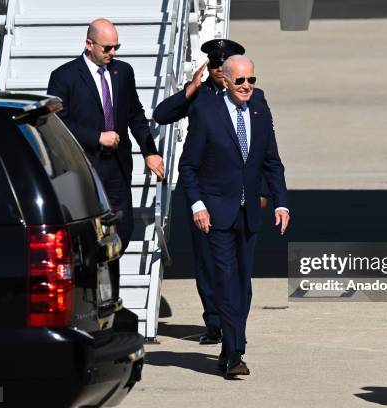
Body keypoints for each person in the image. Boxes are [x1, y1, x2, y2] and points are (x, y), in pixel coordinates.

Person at [178, 55, 290, 378]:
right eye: (240, 81)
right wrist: (197, 205)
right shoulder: (206, 112)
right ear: (225, 81)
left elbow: (272, 161)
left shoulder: (259, 110)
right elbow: (188, 166)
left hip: (249, 212)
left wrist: (281, 202)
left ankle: (228, 350)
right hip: (216, 213)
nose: (246, 87)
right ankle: (237, 350)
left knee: (243, 284)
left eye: (251, 80)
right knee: (225, 279)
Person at [153, 39, 270, 345]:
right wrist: (189, 89)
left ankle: (233, 327)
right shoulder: (201, 97)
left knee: (237, 268)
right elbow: (162, 115)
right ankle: (214, 322)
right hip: (206, 194)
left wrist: (264, 191)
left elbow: (264, 149)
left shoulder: (252, 97)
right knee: (206, 263)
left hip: (240, 195)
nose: (219, 71)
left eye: (223, 65)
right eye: (215, 66)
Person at [47, 18, 164, 299]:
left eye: (116, 47)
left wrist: (149, 151)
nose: (113, 53)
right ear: (89, 44)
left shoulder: (123, 73)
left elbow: (135, 114)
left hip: (117, 167)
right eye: (107, 48)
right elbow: (57, 123)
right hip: (84, 168)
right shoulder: (64, 76)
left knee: (123, 228)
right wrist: (96, 136)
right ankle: (95, 294)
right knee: (90, 234)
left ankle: (107, 291)